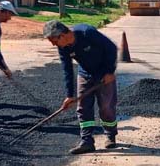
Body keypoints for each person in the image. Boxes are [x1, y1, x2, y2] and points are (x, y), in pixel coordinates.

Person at [43, 20, 118, 155]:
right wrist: (70, 95)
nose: (53, 44)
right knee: (83, 107)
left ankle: (110, 134)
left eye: (53, 40)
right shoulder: (63, 47)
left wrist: (109, 71)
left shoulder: (86, 33)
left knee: (106, 107)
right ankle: (87, 141)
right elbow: (67, 70)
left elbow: (111, 48)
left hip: (103, 73)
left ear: (62, 35)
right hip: (85, 74)